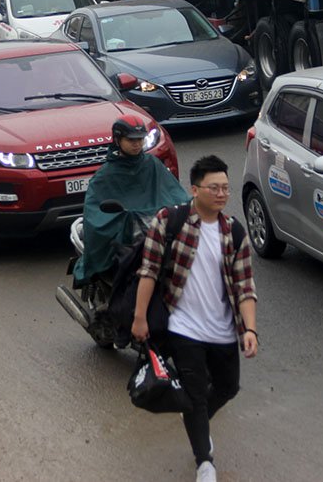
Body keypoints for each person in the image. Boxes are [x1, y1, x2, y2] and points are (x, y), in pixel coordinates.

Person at [132, 155, 258, 482]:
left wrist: (250, 329)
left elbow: (245, 285)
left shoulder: (234, 232)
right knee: (197, 393)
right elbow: (149, 270)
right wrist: (140, 317)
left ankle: (194, 420)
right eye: (213, 188)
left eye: (225, 189)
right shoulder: (170, 221)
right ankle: (205, 462)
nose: (221, 194)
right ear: (195, 189)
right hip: (183, 327)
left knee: (228, 387)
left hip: (223, 329)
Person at [74, 115, 188, 288]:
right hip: (130, 237)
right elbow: (95, 213)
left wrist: (190, 207)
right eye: (131, 140)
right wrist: (123, 219)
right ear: (117, 140)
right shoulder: (104, 175)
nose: (137, 144)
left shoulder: (152, 164)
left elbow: (175, 192)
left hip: (157, 230)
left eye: (140, 139)